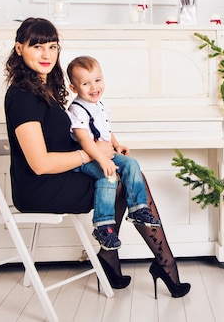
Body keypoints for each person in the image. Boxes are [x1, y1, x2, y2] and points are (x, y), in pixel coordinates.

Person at [3, 17, 190, 297]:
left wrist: (104, 146)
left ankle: (119, 260)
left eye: (53, 47)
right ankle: (161, 264)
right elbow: (40, 164)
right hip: (40, 188)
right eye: (37, 46)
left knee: (125, 173)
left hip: (60, 178)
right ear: (19, 48)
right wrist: (91, 154)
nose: (46, 55)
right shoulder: (21, 96)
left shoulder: (46, 92)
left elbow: (72, 134)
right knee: (126, 179)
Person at [66, 55, 161, 251]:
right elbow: (84, 139)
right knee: (107, 176)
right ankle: (103, 226)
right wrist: (101, 159)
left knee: (131, 163)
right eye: (86, 83)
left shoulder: (99, 105)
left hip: (103, 152)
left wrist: (116, 145)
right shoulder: (77, 109)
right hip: (85, 157)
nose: (94, 87)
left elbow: (105, 130)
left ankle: (138, 208)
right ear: (73, 88)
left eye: (98, 80)